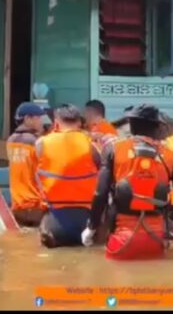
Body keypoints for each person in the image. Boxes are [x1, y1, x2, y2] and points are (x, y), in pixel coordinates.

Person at [81, 104, 173, 260]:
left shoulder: (113, 150)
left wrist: (91, 228)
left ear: (130, 125)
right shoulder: (171, 156)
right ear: (157, 127)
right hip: (156, 240)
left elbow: (100, 194)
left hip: (120, 242)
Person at [35, 104, 101, 248]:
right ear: (79, 122)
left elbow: (37, 177)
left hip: (54, 219)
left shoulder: (41, 143)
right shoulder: (92, 144)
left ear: (56, 122)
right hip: (87, 219)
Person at [7, 102, 47, 227]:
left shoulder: (10, 141)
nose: (41, 122)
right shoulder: (36, 142)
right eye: (38, 118)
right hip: (36, 205)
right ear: (27, 119)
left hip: (17, 205)